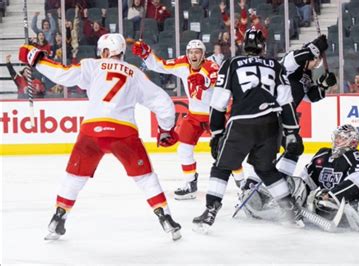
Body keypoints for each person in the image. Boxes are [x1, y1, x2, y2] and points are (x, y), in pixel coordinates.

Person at [18, 33, 182, 241]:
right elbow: (163, 102)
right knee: (145, 177)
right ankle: (165, 219)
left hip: (91, 131)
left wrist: (36, 58)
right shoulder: (135, 73)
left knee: (74, 176)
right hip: (124, 132)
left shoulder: (92, 66)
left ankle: (57, 218)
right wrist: (166, 128)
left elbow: (62, 74)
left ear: (105, 52)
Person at [192, 28, 304, 233]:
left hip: (242, 123)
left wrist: (217, 134)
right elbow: (286, 103)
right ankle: (291, 210)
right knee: (266, 169)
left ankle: (210, 211)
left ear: (245, 45)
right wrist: (292, 132)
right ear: (263, 46)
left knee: (222, 167)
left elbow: (219, 102)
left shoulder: (232, 63)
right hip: (271, 124)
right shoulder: (276, 65)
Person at [239, 124, 359, 237]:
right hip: (323, 202)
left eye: (342, 139)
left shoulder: (356, 157)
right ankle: (264, 201)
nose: (337, 141)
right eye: (337, 137)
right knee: (295, 184)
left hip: (349, 200)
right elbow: (306, 178)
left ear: (353, 142)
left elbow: (358, 182)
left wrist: (332, 194)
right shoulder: (323, 154)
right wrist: (294, 193)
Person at [132, 39, 244, 200]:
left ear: (203, 54)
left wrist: (203, 82)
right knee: (183, 149)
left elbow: (214, 79)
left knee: (226, 150)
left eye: (197, 52)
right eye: (191, 52)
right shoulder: (182, 63)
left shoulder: (211, 66)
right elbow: (160, 65)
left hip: (215, 115)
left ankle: (242, 184)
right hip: (193, 115)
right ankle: (190, 184)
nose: (193, 55)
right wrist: (146, 54)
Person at [242, 35, 336, 187]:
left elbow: (311, 97)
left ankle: (283, 183)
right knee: (266, 153)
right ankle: (251, 186)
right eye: (315, 59)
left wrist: (323, 85)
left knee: (295, 148)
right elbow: (299, 56)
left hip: (285, 119)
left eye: (318, 60)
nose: (317, 62)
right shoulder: (290, 63)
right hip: (269, 114)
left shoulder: (306, 75)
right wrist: (316, 46)